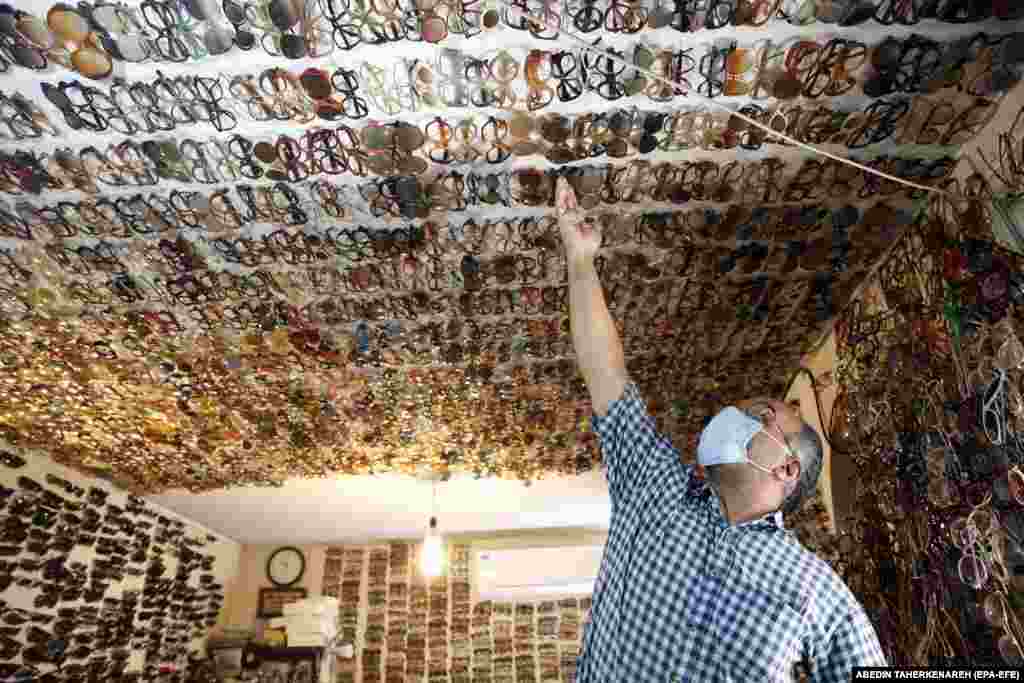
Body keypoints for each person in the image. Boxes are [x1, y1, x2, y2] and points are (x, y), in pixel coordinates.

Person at [556, 176, 887, 682]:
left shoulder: (811, 590)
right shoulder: (655, 489)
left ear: (787, 466)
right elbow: (607, 373)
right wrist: (580, 262)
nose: (735, 414)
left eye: (761, 414)